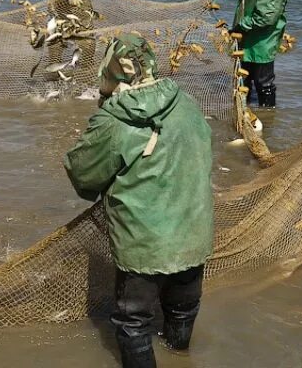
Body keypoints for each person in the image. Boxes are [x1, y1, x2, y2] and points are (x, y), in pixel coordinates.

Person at [64, 34, 214, 368]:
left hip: (143, 243)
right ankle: (180, 356)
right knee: (183, 306)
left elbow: (83, 176)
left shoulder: (114, 120)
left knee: (134, 322)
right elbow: (205, 152)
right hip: (194, 233)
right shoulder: (186, 101)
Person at [217, 0, 291, 107]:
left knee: (262, 80)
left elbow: (266, 17)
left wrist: (240, 26)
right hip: (247, 36)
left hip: (263, 40)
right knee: (244, 77)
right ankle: (245, 110)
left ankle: (268, 113)